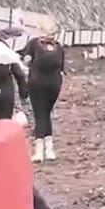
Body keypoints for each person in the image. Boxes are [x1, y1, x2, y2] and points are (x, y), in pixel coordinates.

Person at [22, 20, 65, 163]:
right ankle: (49, 147)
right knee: (46, 114)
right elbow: (62, 69)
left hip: (39, 82)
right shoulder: (58, 47)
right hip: (52, 84)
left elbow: (26, 60)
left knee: (40, 114)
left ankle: (39, 150)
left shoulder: (34, 44)